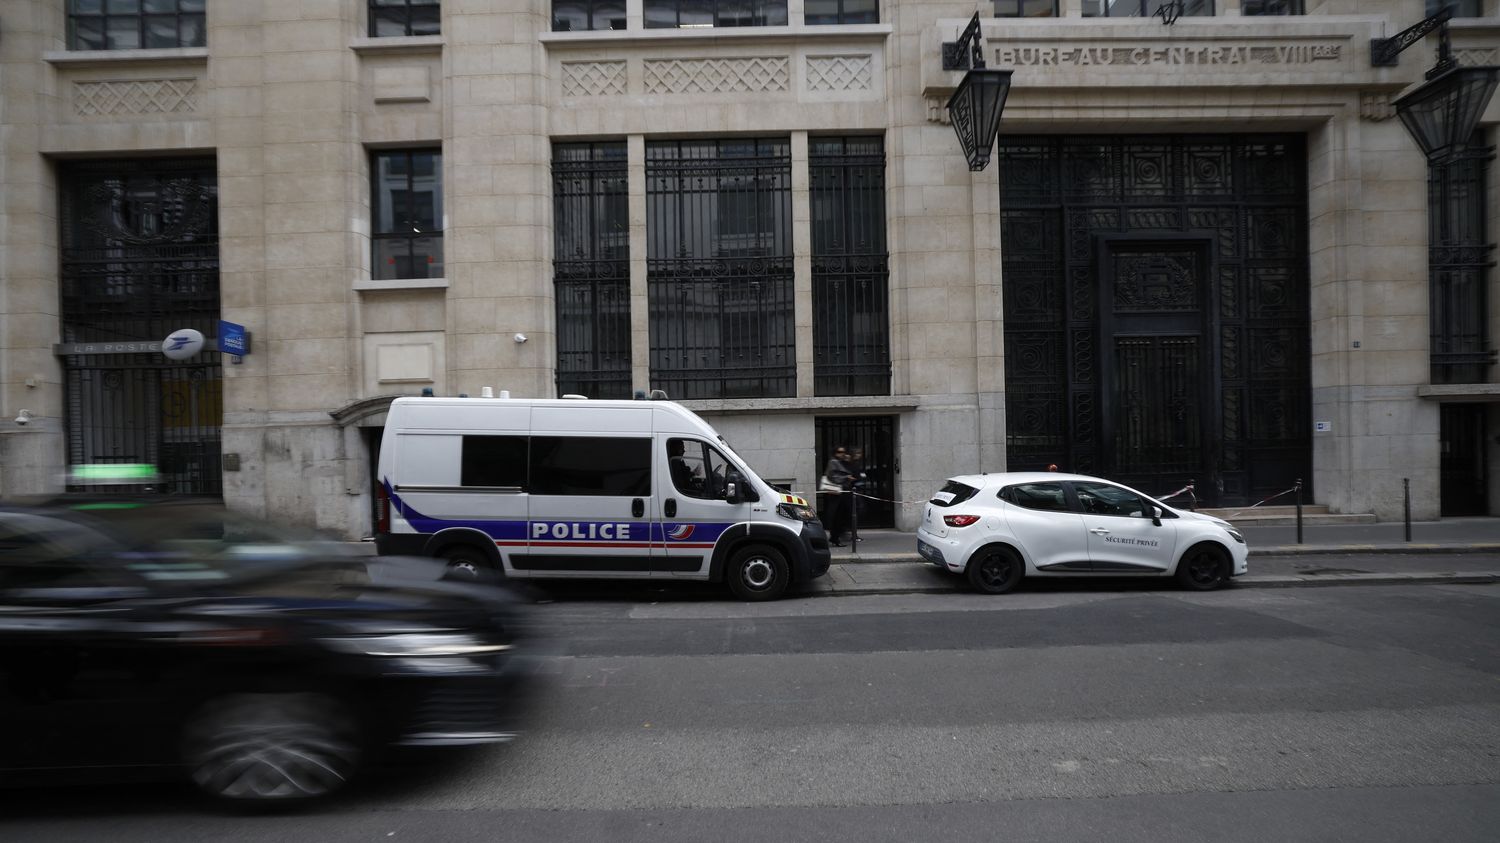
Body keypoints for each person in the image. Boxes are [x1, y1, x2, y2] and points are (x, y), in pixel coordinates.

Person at [822, 446, 853, 546]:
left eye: (843, 452)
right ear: (835, 453)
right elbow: (833, 476)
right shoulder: (833, 462)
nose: (842, 453)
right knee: (837, 516)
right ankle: (835, 538)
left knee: (841, 515)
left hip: (841, 493)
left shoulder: (841, 462)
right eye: (840, 452)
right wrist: (846, 477)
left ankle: (836, 537)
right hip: (836, 494)